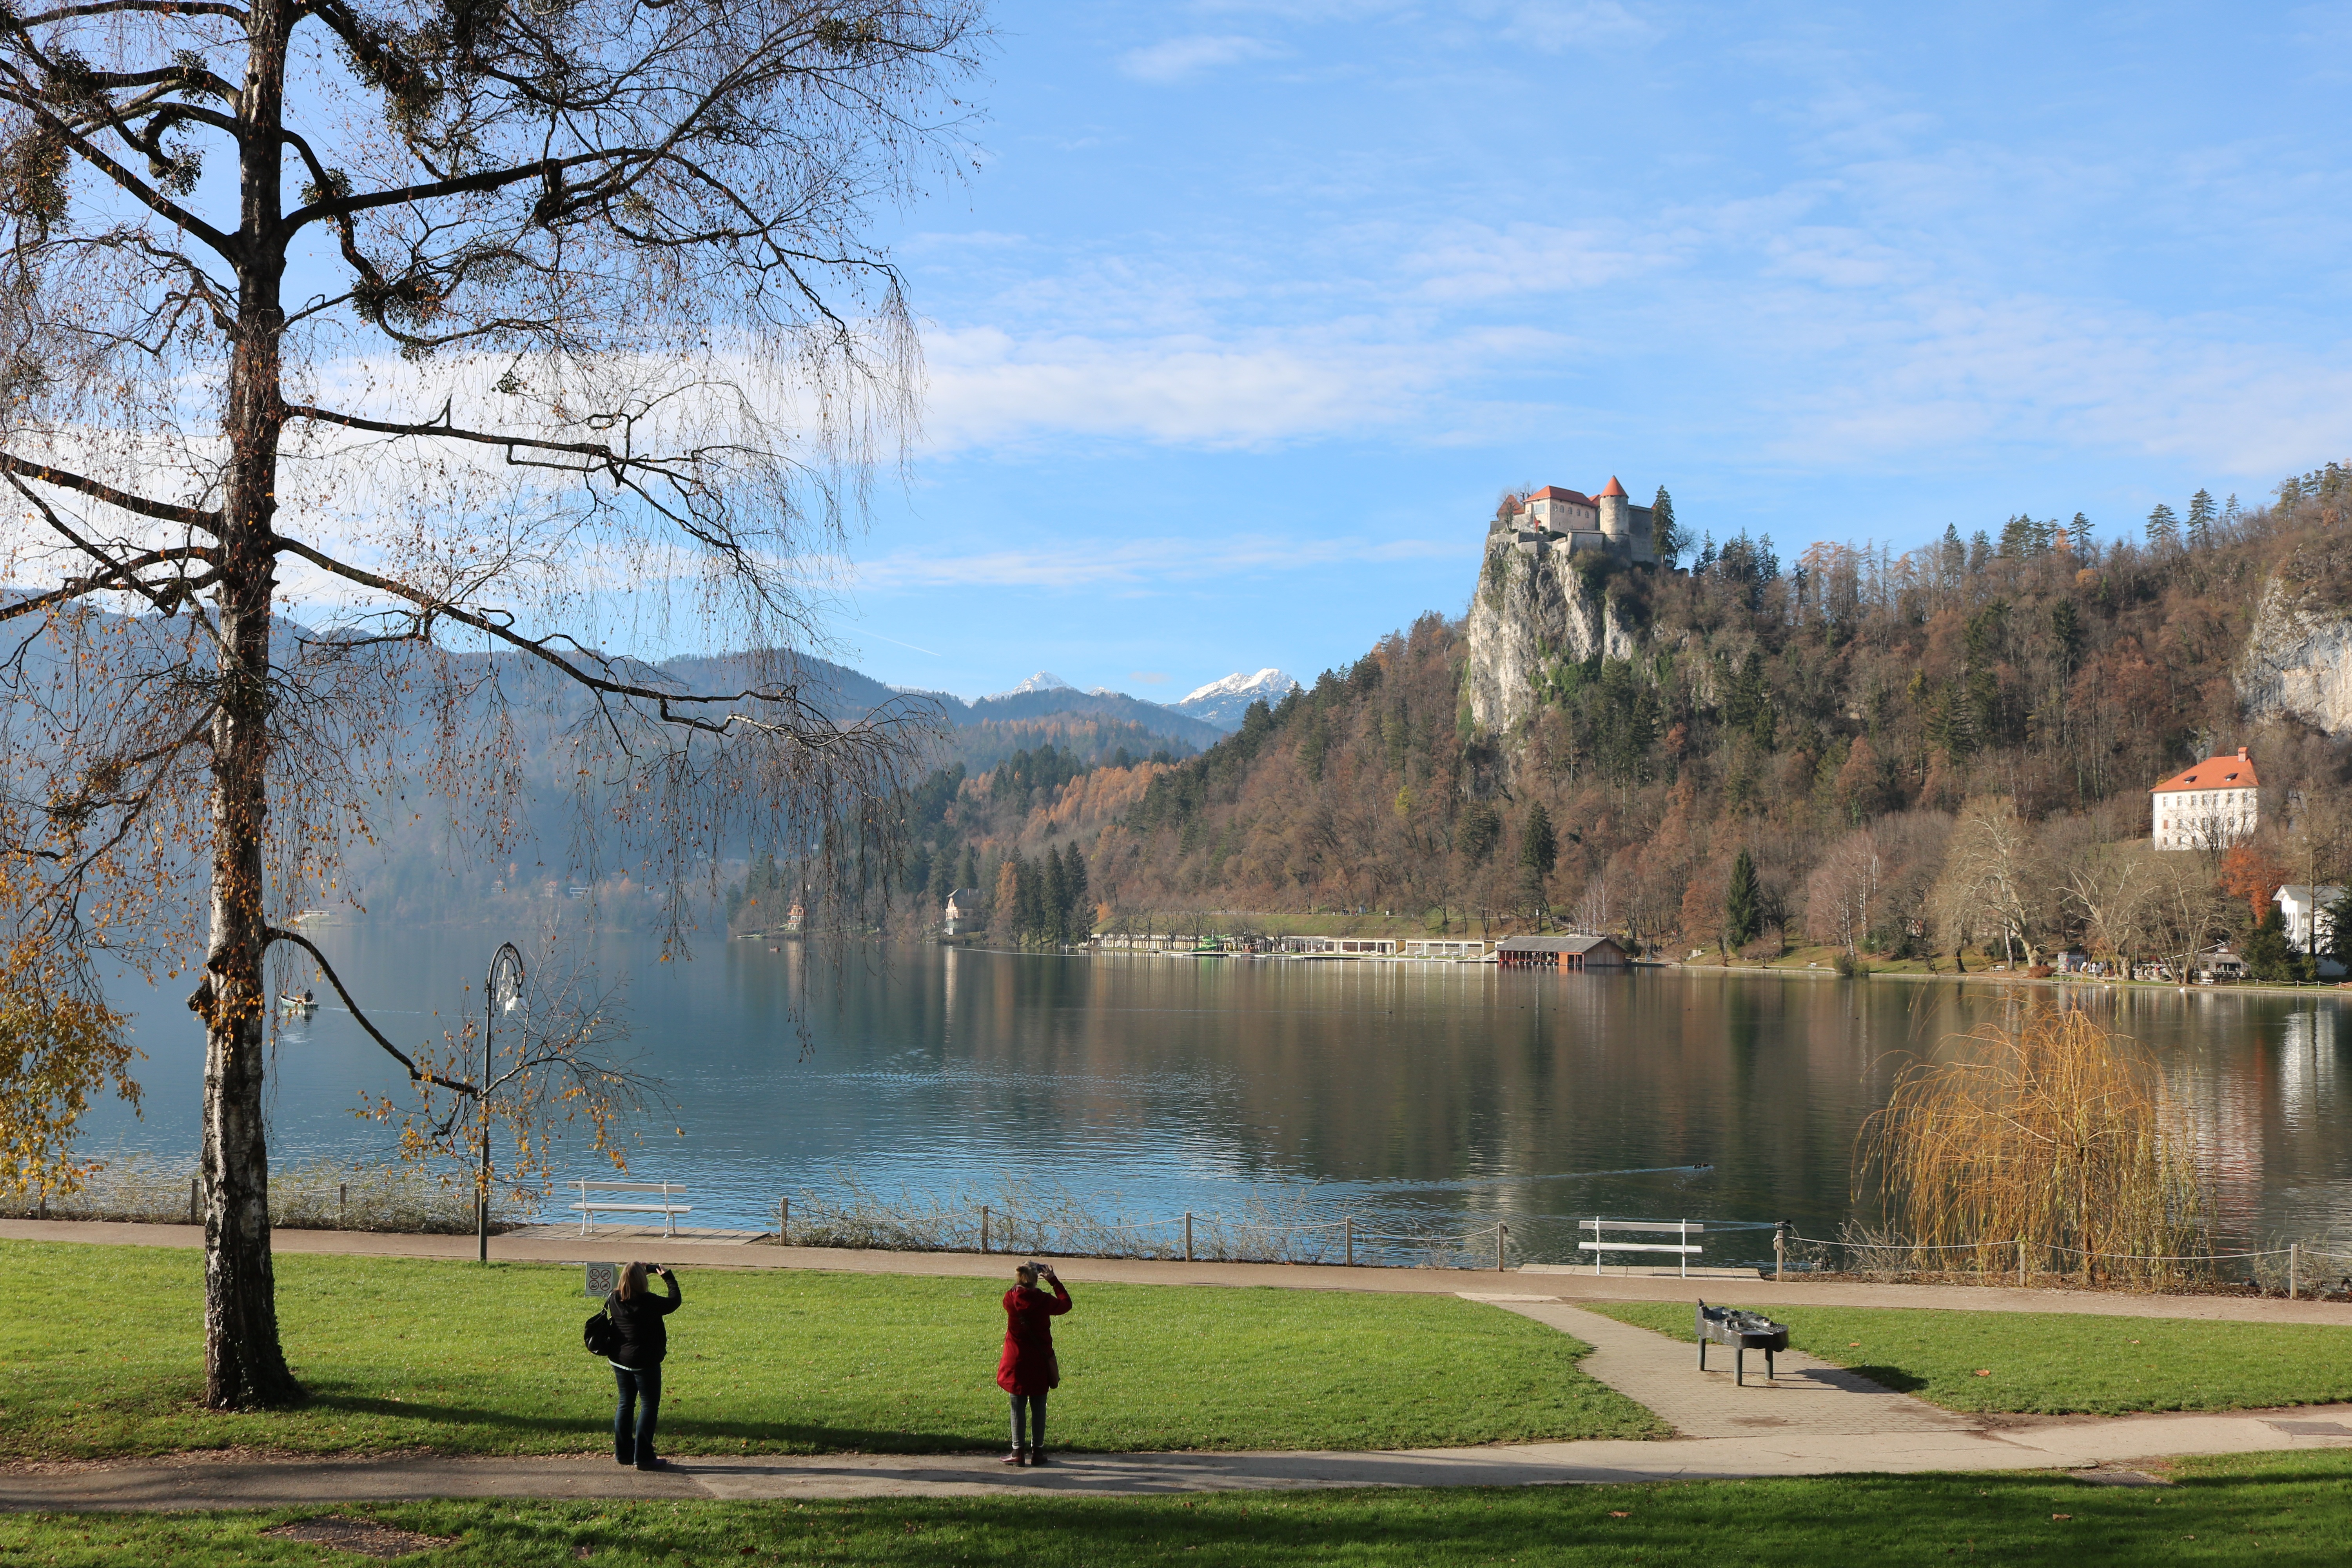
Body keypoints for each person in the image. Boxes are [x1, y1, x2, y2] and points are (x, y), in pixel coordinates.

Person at [605, 1261, 682, 1470]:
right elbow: (674, 1302)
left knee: (626, 1403)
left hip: (620, 1359)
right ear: (642, 1280)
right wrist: (668, 1278)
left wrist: (641, 1268)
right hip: (645, 1362)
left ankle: (624, 1454)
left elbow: (630, 1282)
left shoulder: (614, 1298)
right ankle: (644, 1456)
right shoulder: (649, 1301)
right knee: (648, 1406)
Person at [995, 1260, 1070, 1466]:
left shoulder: (1010, 1299)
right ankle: (1038, 1452)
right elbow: (1066, 1304)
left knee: (1017, 1405)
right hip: (1039, 1360)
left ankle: (1017, 1452)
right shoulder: (1044, 1300)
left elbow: (1013, 1290)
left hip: (1016, 1360)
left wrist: (1024, 1276)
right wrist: (1053, 1281)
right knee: (1039, 1405)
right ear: (1037, 1279)